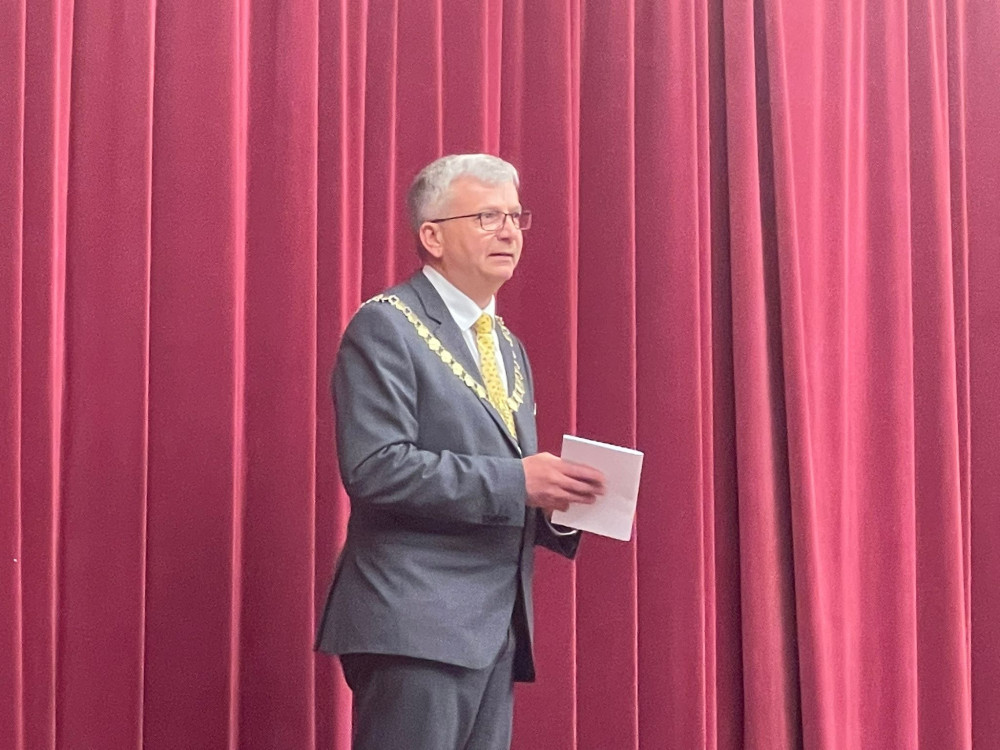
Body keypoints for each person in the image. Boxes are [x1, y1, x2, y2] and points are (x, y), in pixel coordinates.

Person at [315, 153, 606, 750]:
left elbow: (507, 478)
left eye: (516, 217)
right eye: (487, 216)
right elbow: (375, 467)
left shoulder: (507, 345)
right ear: (433, 237)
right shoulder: (387, 325)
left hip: (494, 626)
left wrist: (560, 503)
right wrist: (519, 483)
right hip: (414, 621)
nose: (509, 231)